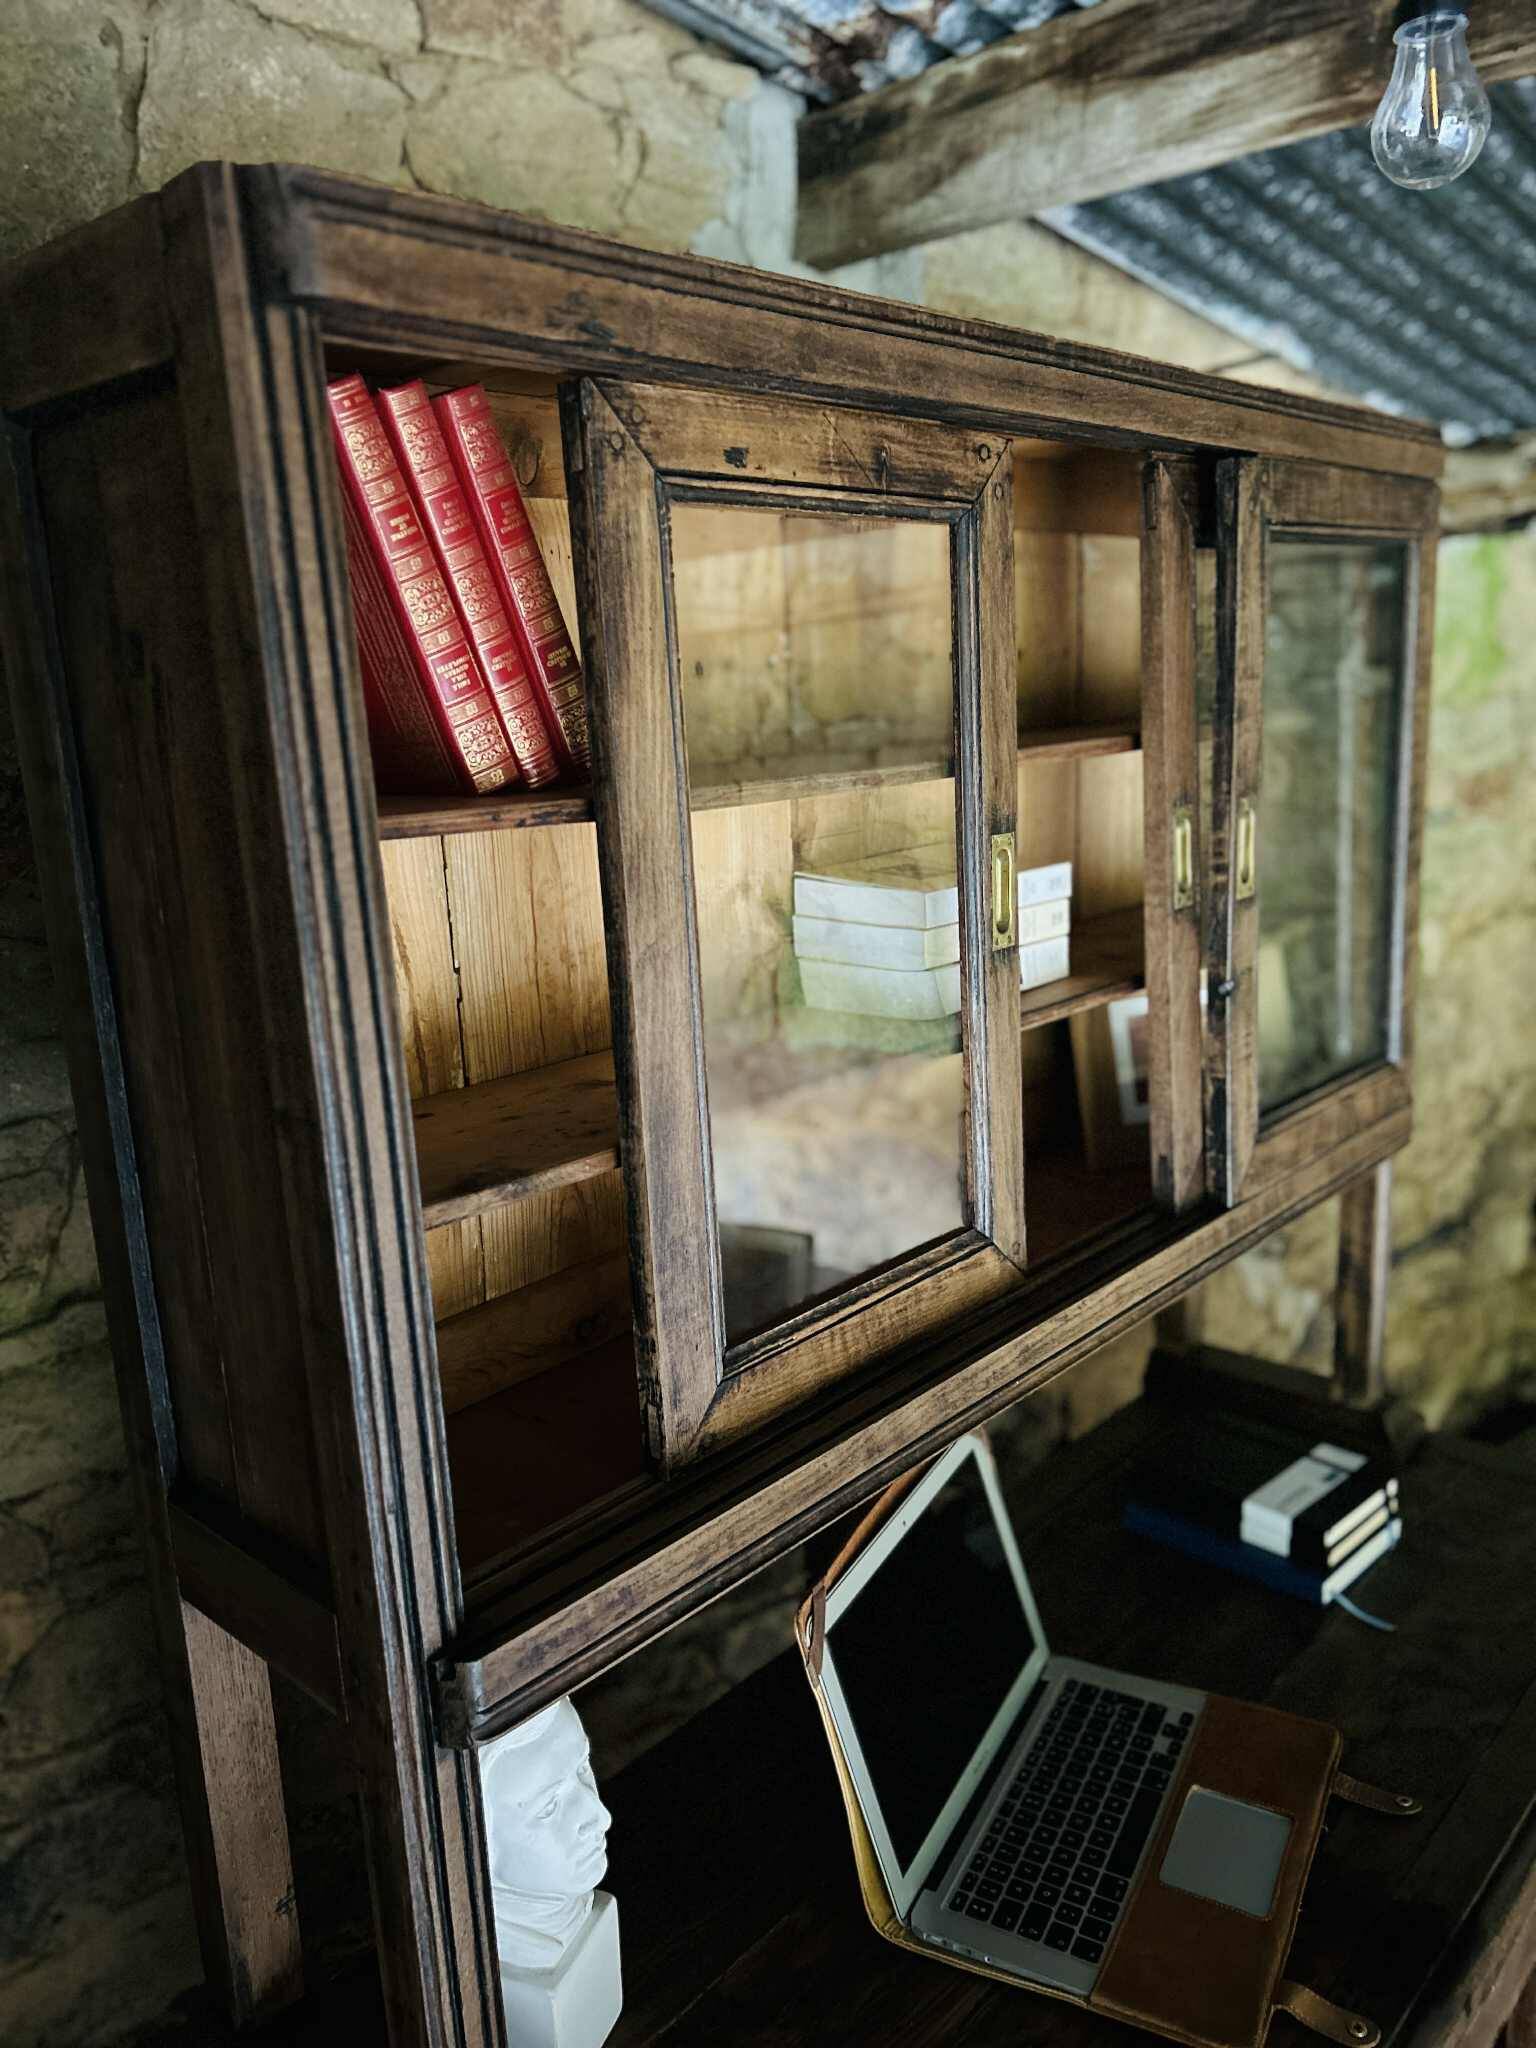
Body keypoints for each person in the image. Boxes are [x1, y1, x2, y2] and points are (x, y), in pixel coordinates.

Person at [482, 1696, 613, 1971]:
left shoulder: (569, 1909)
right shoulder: (495, 1953)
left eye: (582, 1768)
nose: (601, 1817)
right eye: (549, 1807)